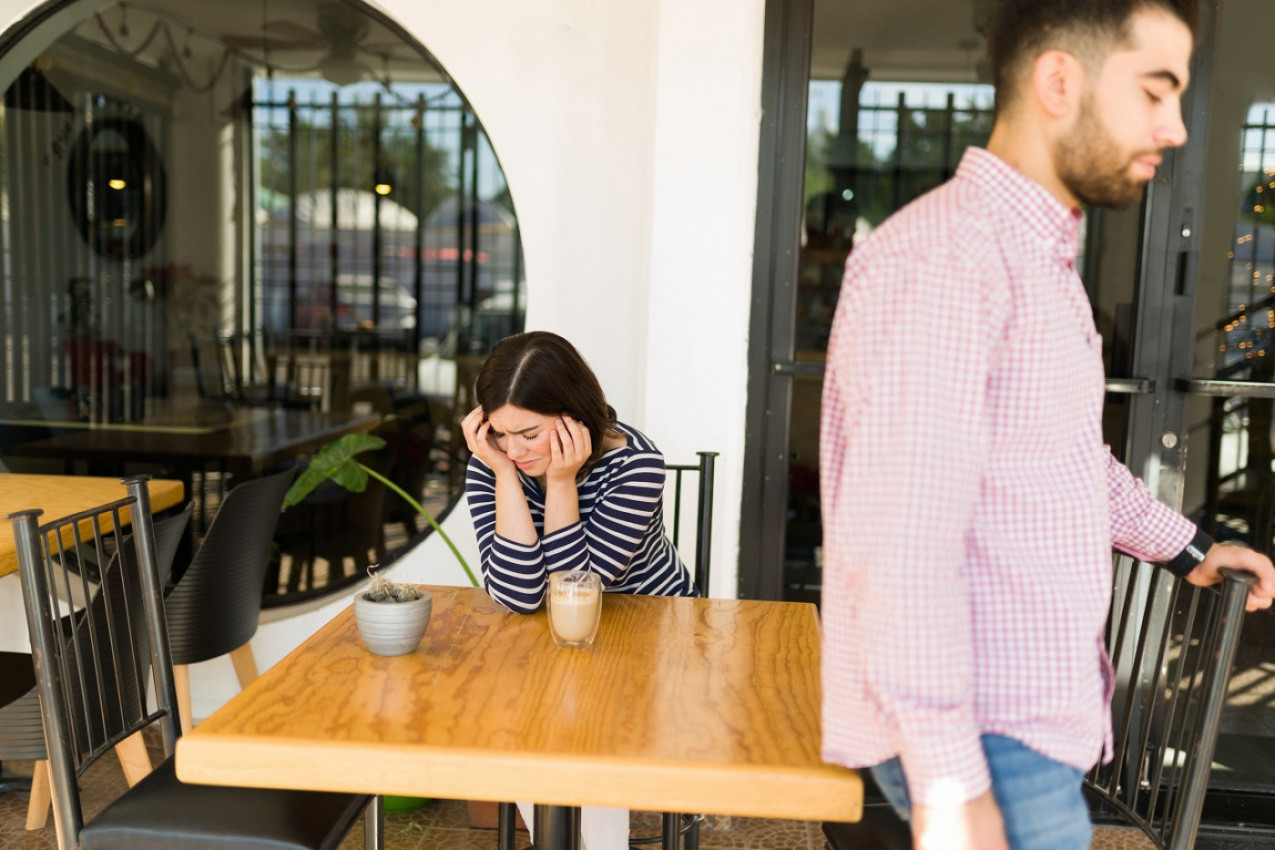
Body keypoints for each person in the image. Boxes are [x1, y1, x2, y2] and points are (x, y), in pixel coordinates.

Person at [817, 2, 1275, 849]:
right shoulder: (949, 259)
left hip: (1024, 729)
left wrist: (1188, 545)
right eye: (1154, 91)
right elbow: (901, 548)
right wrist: (950, 785)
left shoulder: (1032, 256)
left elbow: (1062, 457)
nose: (1175, 128)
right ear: (1058, 80)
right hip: (987, 741)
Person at [462, 330, 697, 613]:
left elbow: (573, 591)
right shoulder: (493, 461)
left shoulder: (636, 464)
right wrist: (505, 476)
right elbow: (519, 597)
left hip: (651, 615)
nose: (512, 452)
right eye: (499, 432)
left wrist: (561, 481)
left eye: (529, 434)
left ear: (575, 414)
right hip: (551, 626)